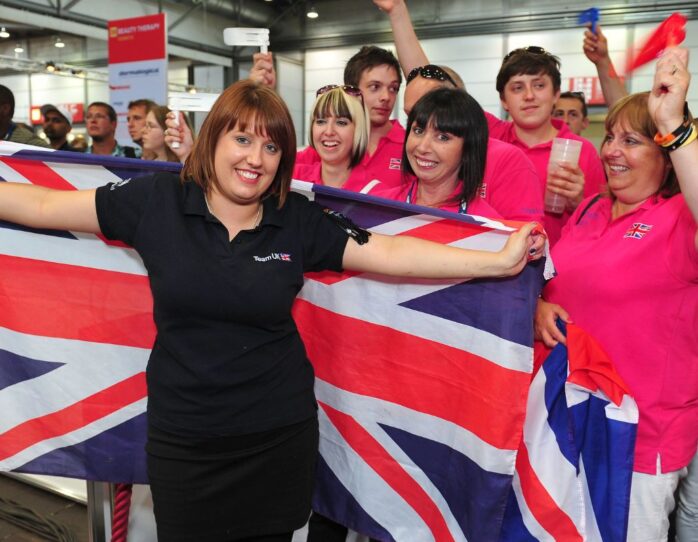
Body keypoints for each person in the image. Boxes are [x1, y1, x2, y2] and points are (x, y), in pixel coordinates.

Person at [0, 79, 543, 542]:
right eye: (242, 139)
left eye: (271, 148)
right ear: (214, 138)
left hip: (276, 440)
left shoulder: (295, 218)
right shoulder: (155, 202)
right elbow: (44, 204)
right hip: (186, 443)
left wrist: (496, 262)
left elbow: (388, 251)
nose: (254, 160)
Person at [535, 48, 697, 541]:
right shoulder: (588, 210)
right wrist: (537, 306)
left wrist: (677, 126)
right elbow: (558, 281)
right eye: (609, 138)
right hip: (566, 427)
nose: (610, 151)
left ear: (667, 155)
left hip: (639, 440)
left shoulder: (679, 223)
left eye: (631, 141)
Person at [372, 0, 605, 245]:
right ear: (503, 99)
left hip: (547, 262)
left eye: (539, 85)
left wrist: (580, 202)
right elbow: (431, 88)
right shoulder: (487, 132)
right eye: (517, 88)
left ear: (556, 93)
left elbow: (602, 227)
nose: (529, 96)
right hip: (475, 254)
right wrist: (398, 11)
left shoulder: (583, 152)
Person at [401, 64, 544, 222]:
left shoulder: (486, 221)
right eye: (418, 129)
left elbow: (526, 235)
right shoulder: (382, 202)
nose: (423, 146)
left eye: (442, 136)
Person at [253, 45, 406, 187]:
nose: (386, 96)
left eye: (393, 88)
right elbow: (268, 164)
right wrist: (262, 97)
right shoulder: (327, 146)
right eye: (375, 87)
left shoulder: (409, 147)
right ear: (350, 91)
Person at [293, 84, 372, 191]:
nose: (329, 131)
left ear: (358, 129)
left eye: (341, 123)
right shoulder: (292, 179)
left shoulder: (376, 193)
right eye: (321, 121)